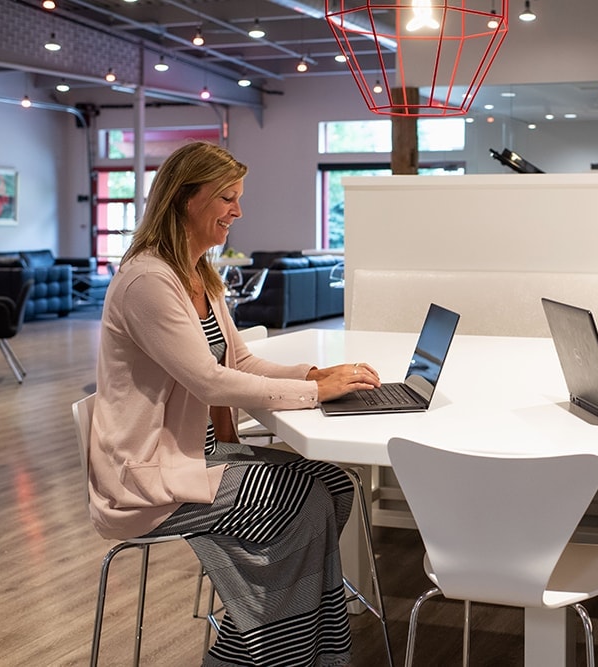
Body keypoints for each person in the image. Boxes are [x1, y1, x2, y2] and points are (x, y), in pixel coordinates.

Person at [87, 141, 382, 666]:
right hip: (151, 478)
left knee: (335, 485)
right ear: (184, 199)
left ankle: (268, 640)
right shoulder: (149, 280)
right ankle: (268, 649)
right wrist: (316, 393)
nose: (238, 212)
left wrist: (317, 373)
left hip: (201, 458)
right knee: (306, 503)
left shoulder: (198, 274)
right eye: (227, 197)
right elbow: (209, 383)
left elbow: (238, 363)